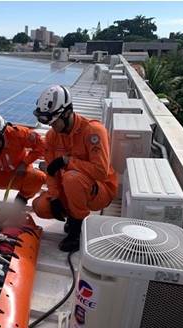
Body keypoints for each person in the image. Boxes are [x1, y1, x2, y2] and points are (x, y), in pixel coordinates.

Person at [31, 85, 118, 252]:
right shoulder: (52, 136)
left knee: (72, 177)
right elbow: (51, 171)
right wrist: (55, 196)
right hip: (71, 187)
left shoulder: (93, 131)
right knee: (40, 207)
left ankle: (77, 230)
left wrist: (67, 161)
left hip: (100, 190)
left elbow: (100, 171)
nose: (51, 127)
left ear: (66, 113)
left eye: (53, 122)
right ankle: (72, 214)